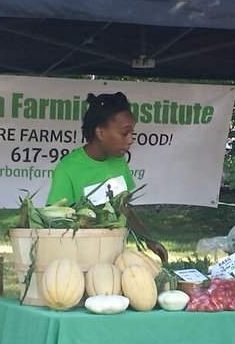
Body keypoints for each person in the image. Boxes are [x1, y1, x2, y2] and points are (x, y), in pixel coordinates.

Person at [47, 91, 168, 263]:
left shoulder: (119, 162)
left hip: (114, 256)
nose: (130, 140)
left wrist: (148, 239)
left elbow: (123, 208)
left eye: (132, 133)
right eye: (124, 133)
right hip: (79, 260)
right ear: (100, 133)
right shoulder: (67, 169)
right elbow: (56, 221)